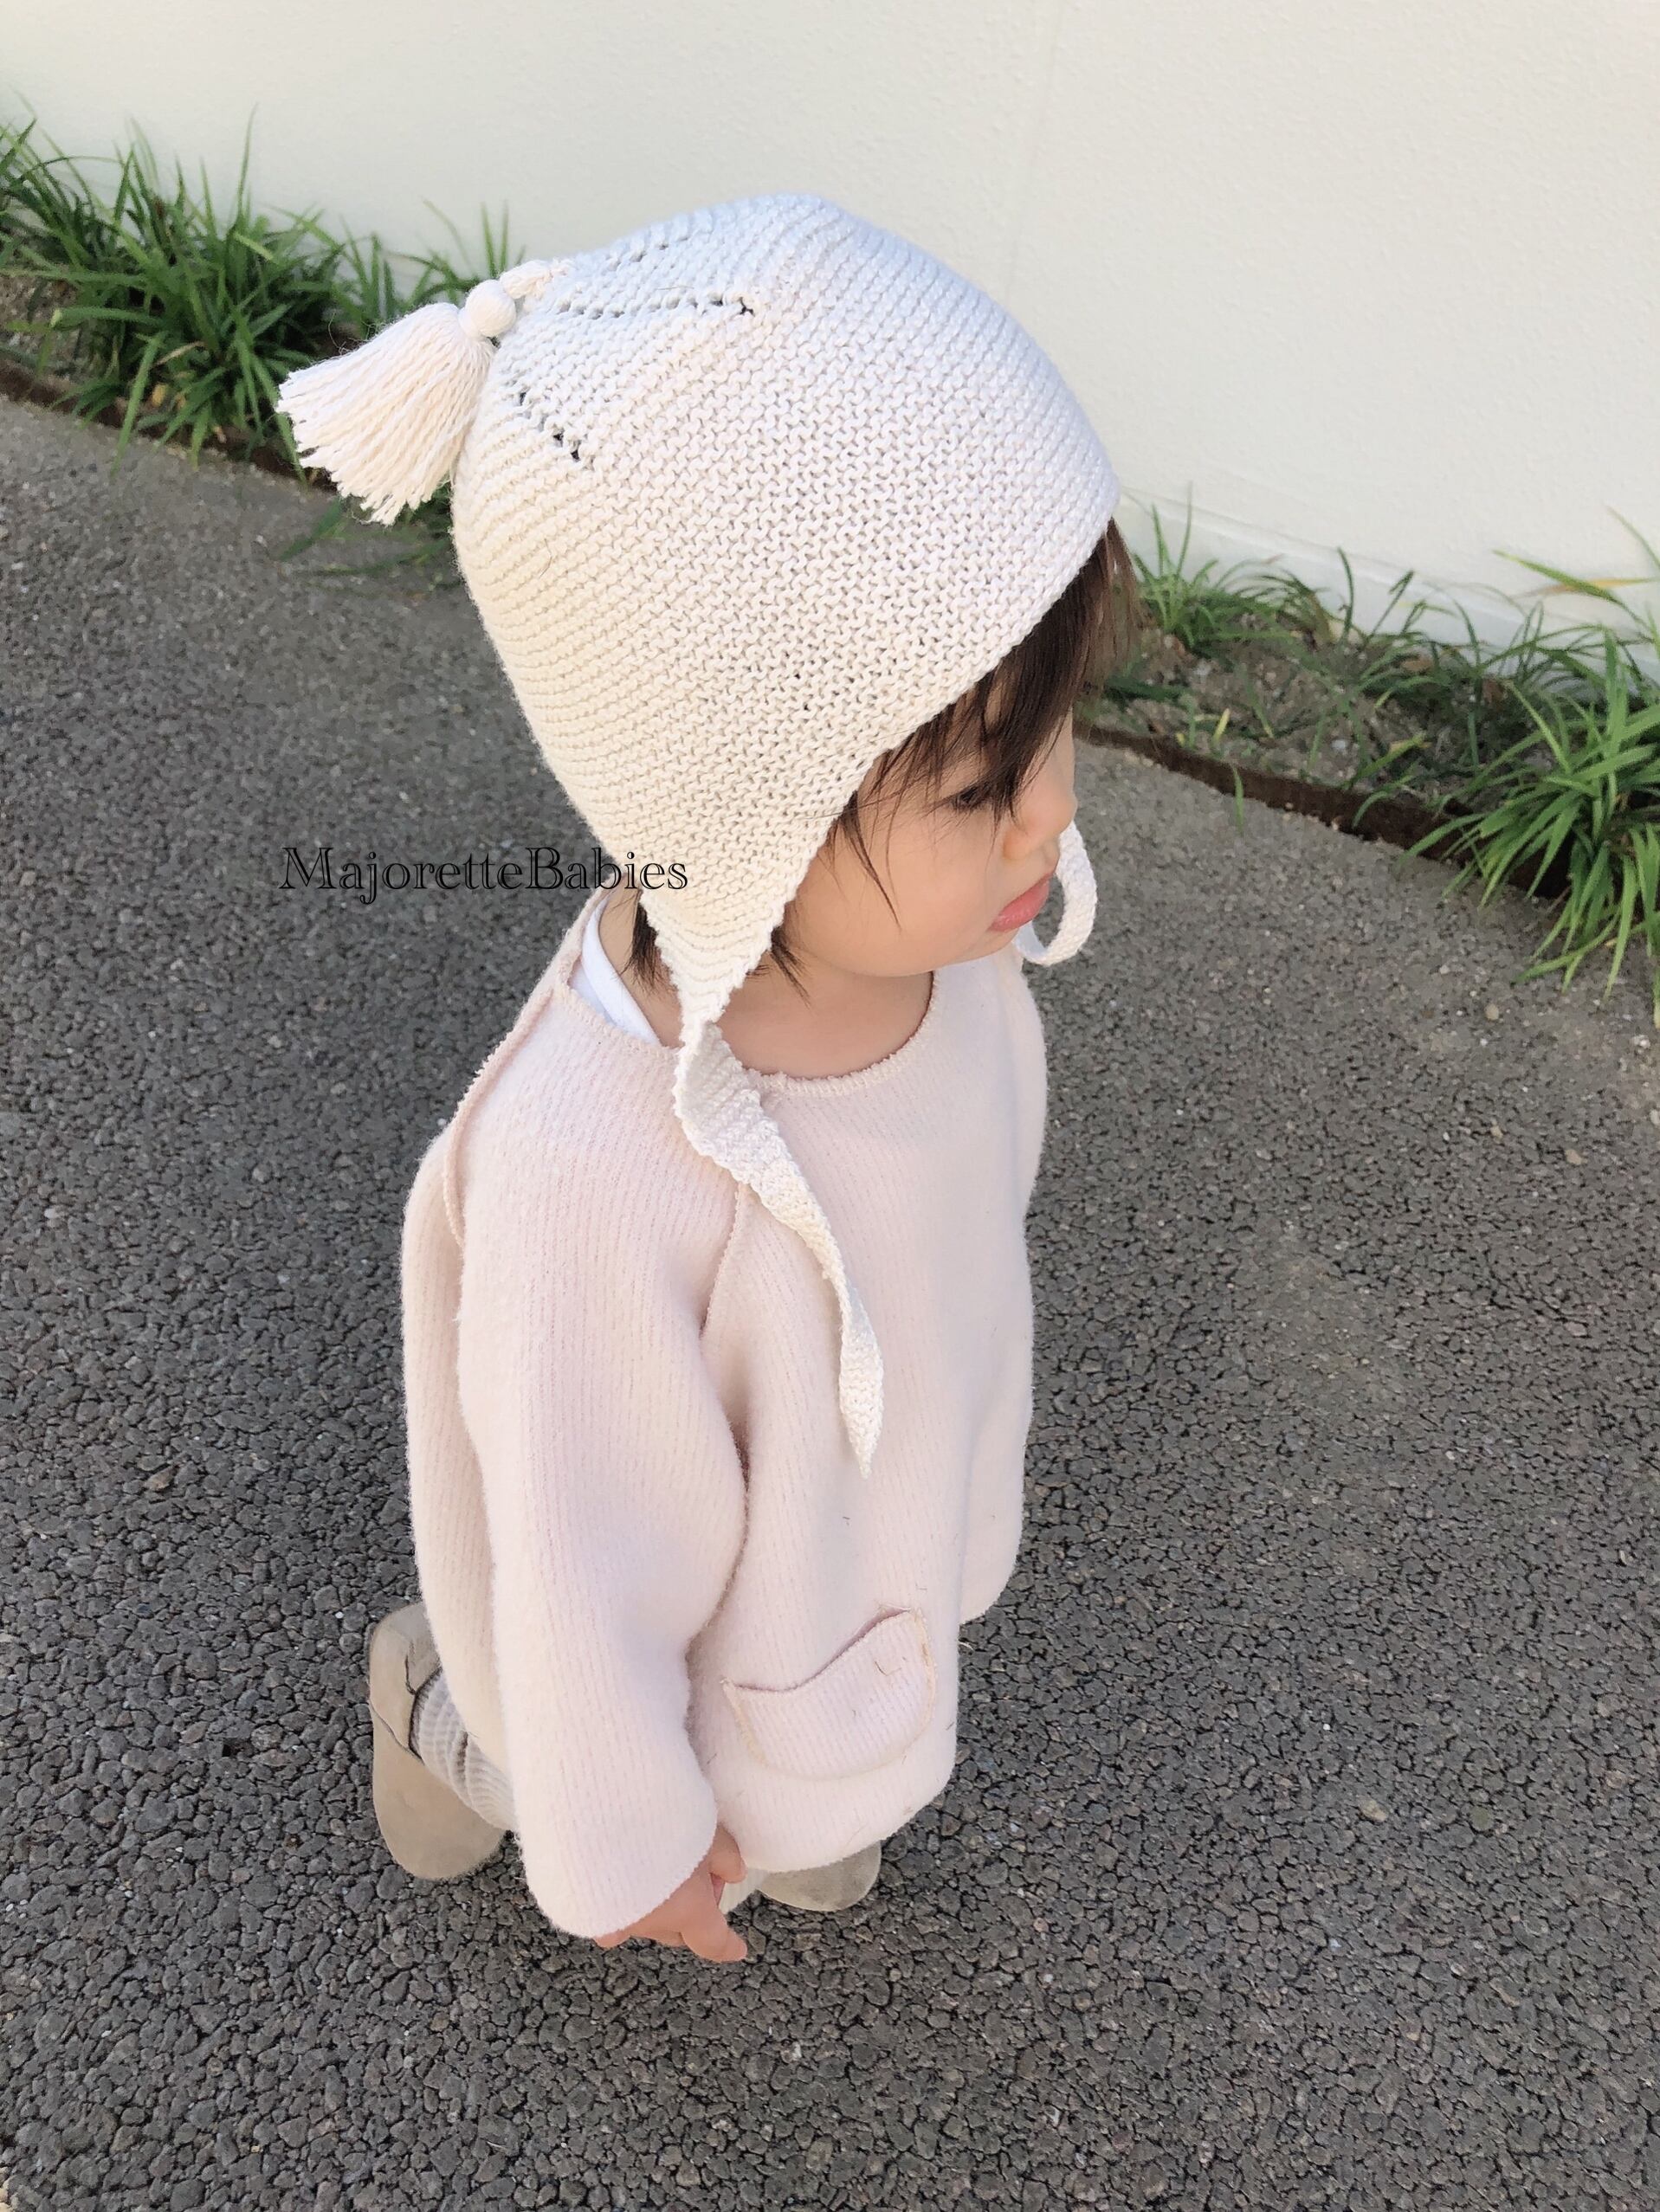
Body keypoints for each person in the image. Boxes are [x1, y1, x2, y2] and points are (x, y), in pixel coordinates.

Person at [275, 192, 1141, 1965]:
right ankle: (440, 1721)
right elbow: (584, 1564)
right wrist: (631, 1842)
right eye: (984, 785)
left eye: (1062, 728)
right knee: (581, 1746)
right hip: (643, 1668)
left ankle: (813, 1763)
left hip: (844, 1586)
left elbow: (958, 1250)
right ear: (744, 805)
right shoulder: (598, 1170)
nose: (1051, 814)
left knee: (800, 1763)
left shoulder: (954, 963)